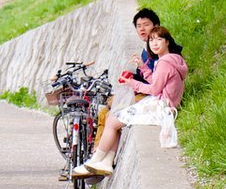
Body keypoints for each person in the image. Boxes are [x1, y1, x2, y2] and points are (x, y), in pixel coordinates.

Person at [77, 26, 187, 176]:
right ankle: (106, 163)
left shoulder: (164, 63)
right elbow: (157, 82)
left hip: (160, 106)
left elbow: (154, 89)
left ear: (167, 42)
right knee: (114, 120)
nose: (154, 43)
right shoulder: (173, 60)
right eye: (151, 40)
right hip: (164, 103)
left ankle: (94, 161)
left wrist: (132, 83)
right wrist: (143, 67)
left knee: (112, 121)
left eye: (159, 39)